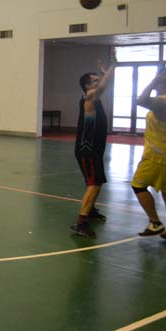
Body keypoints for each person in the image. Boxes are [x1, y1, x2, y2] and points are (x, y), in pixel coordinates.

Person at [130, 67, 166, 245]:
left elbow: (141, 100)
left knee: (138, 186)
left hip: (158, 155)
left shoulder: (164, 103)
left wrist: (153, 81)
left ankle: (155, 223)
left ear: (162, 82)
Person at [70, 59, 116, 238]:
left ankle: (90, 210)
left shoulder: (95, 99)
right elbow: (104, 86)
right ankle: (81, 223)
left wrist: (104, 73)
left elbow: (104, 85)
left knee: (98, 181)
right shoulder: (89, 97)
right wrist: (112, 67)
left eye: (98, 80)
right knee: (94, 184)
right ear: (87, 86)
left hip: (95, 150)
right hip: (86, 151)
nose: (99, 83)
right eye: (95, 81)